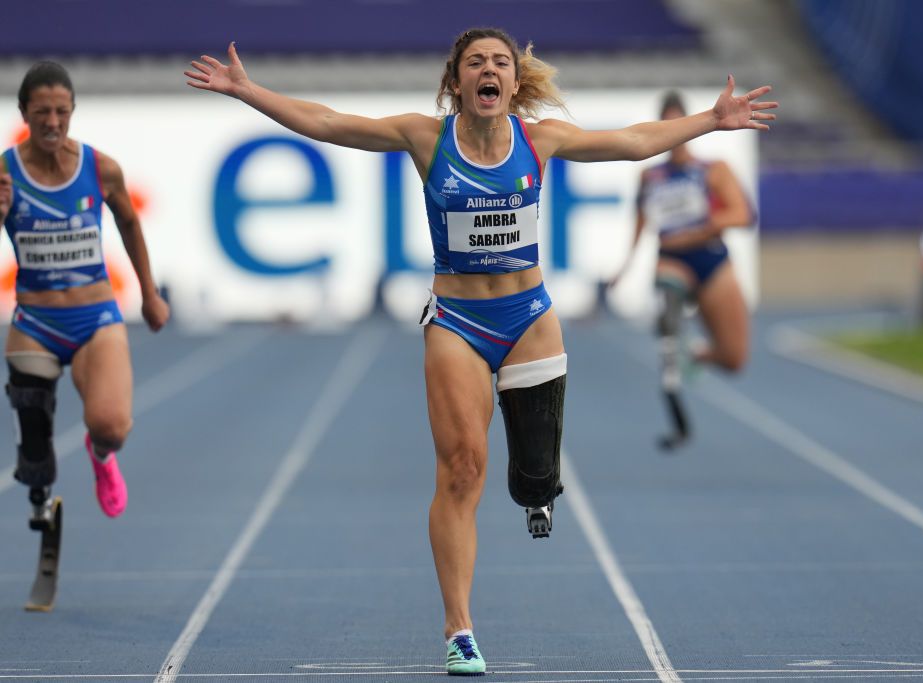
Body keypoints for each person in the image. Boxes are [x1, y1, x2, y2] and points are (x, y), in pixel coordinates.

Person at [185, 29, 775, 675]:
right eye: (476, 63)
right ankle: (459, 628)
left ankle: (539, 486)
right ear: (456, 81)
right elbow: (329, 123)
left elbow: (632, 143)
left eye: (500, 62)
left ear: (514, 84)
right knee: (462, 469)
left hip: (528, 319)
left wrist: (713, 121)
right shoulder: (426, 138)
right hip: (458, 321)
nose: (489, 70)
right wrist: (247, 91)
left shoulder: (539, 139)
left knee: (534, 479)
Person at [0, 61, 170, 524]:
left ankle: (101, 456)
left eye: (61, 112)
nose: (52, 123)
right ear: (23, 113)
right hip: (35, 323)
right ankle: (40, 500)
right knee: (35, 459)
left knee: (111, 426)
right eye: (41, 113)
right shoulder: (5, 174)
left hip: (95, 318)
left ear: (72, 111)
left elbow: (130, 223)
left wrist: (150, 294)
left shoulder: (100, 168)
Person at [613, 91, 755, 451]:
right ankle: (670, 334)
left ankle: (689, 351)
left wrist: (706, 227)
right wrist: (623, 269)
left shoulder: (711, 170)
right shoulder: (650, 176)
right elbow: (640, 224)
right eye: (669, 126)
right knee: (667, 283)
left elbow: (743, 214)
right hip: (672, 258)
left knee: (734, 358)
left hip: (710, 258)